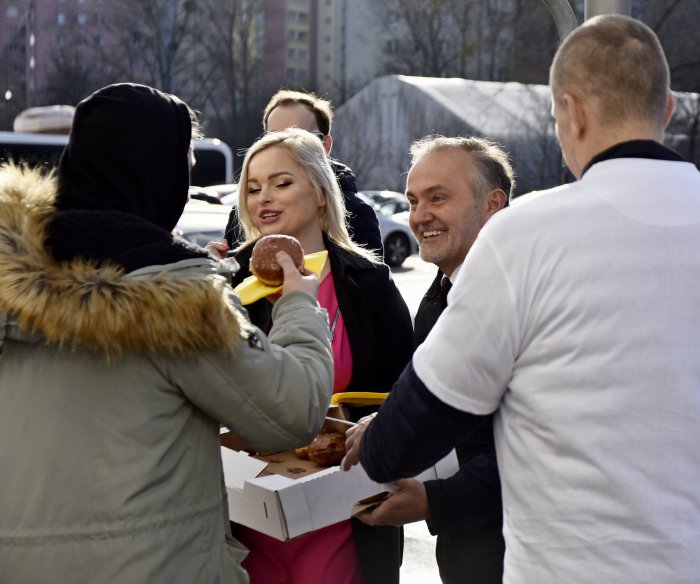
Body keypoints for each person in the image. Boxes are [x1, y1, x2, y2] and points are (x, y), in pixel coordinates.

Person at [343, 15, 700, 584]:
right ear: (668, 109)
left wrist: (378, 444)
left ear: (570, 112)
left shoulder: (521, 238)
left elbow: (407, 436)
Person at [0, 83, 334, 583]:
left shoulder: (12, 282)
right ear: (162, 174)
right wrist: (300, 306)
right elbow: (290, 414)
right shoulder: (179, 303)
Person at [224, 128, 413, 584]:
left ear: (321, 193)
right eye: (252, 187)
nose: (263, 197)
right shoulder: (226, 283)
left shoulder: (368, 282)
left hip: (345, 511)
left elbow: (410, 392)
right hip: (246, 514)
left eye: (281, 183)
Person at [354, 136, 511, 584]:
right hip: (466, 551)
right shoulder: (441, 293)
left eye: (438, 198)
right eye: (413, 200)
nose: (419, 216)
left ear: (492, 204)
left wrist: (434, 501)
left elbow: (536, 450)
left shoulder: (518, 301)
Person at [224, 89, 383, 259]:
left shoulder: (357, 212)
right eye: (273, 137)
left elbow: (369, 278)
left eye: (297, 138)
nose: (282, 146)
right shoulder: (244, 212)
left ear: (325, 145)